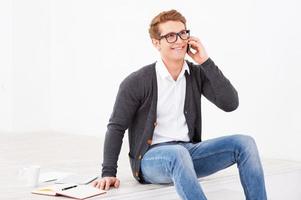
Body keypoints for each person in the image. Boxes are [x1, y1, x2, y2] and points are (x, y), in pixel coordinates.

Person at [92, 9, 267, 200]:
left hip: (188, 154)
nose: (179, 40)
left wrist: (205, 62)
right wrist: (108, 171)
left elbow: (230, 103)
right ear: (156, 43)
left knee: (245, 143)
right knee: (177, 153)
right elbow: (116, 127)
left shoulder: (196, 74)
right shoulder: (137, 81)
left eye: (183, 33)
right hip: (150, 160)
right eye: (170, 36)